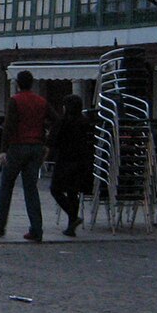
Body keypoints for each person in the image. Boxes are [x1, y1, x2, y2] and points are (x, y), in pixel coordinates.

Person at [0, 70, 57, 242]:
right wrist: (47, 143)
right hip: (36, 147)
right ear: (32, 83)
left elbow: (8, 126)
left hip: (17, 147)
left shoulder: (15, 100)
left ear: (18, 84)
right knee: (31, 189)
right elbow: (56, 120)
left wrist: (3, 150)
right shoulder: (41, 101)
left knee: (6, 186)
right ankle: (36, 229)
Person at [47, 94, 93, 236]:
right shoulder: (85, 122)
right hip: (81, 162)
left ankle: (72, 217)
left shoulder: (63, 122)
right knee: (73, 192)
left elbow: (53, 140)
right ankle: (70, 226)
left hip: (65, 161)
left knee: (56, 189)